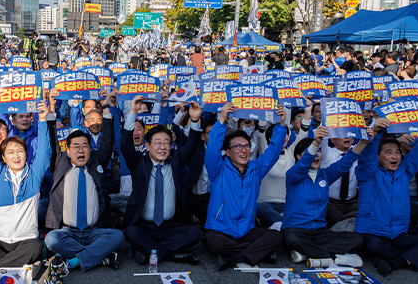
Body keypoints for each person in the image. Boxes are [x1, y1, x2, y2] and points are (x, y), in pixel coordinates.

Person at [44, 90, 124, 273]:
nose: (81, 150)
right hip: (68, 232)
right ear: (68, 150)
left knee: (118, 236)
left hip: (94, 231)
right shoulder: (61, 163)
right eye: (76, 147)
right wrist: (52, 107)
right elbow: (51, 140)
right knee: (51, 239)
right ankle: (100, 257)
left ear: (90, 149)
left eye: (85, 146)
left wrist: (104, 106)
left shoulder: (97, 161)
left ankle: (73, 262)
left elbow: (108, 139)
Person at [0, 100, 51, 267]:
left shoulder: (34, 175)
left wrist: (42, 120)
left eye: (20, 151)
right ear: (4, 158)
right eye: (11, 152)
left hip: (25, 240)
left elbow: (44, 151)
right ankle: (13, 267)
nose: (16, 156)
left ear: (26, 155)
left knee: (36, 246)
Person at [203, 103, 286, 270]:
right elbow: (212, 149)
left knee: (277, 236)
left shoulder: (256, 169)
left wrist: (281, 125)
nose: (244, 150)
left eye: (247, 146)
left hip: (246, 231)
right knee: (213, 242)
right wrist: (221, 121)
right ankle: (258, 253)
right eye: (238, 147)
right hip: (220, 230)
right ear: (227, 152)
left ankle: (234, 258)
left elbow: (273, 152)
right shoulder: (218, 169)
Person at [356, 118, 418, 275]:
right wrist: (375, 132)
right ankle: (417, 258)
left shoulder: (406, 171)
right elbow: (367, 156)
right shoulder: (367, 174)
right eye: (388, 152)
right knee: (373, 246)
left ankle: (399, 261)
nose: (394, 156)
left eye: (397, 152)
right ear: (378, 157)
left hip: (398, 234)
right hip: (372, 233)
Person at [121, 96, 203, 265]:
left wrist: (194, 119)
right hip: (143, 226)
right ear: (148, 146)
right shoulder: (138, 163)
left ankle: (148, 250)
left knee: (195, 235)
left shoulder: (175, 162)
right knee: (130, 233)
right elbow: (124, 144)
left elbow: (193, 143)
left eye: (167, 143)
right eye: (157, 143)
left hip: (169, 227)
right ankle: (172, 255)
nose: (163, 147)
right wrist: (132, 112)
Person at [282, 128, 367, 266]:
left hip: (320, 232)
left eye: (319, 151)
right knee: (291, 238)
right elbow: (303, 164)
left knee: (358, 239)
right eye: (312, 151)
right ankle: (334, 257)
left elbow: (346, 161)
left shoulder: (326, 175)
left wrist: (363, 142)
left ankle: (305, 253)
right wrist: (316, 142)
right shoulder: (293, 175)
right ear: (298, 156)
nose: (316, 154)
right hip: (296, 230)